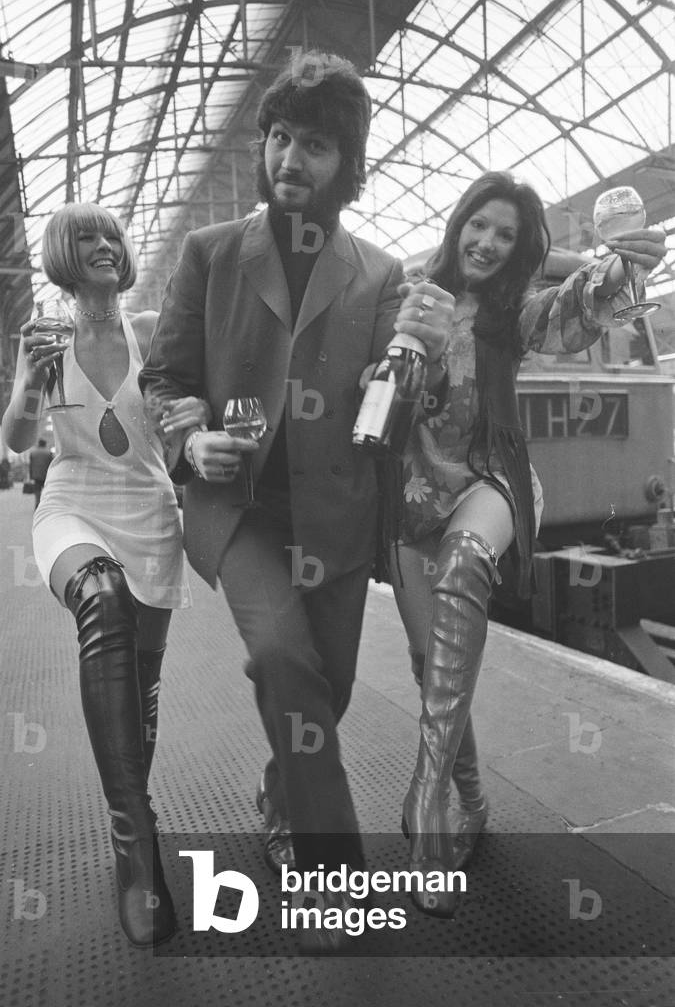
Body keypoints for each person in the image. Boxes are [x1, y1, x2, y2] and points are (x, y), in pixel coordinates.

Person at [139, 49, 452, 949]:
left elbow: (394, 408)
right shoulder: (209, 255)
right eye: (278, 137)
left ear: (344, 166)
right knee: (283, 655)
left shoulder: (382, 276)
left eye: (313, 144)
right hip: (240, 515)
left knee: (328, 686)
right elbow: (165, 377)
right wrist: (187, 434)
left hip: (339, 518)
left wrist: (423, 358)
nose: (287, 158)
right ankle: (331, 876)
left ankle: (284, 795)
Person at [390, 170, 667, 917]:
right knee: (431, 665)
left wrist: (618, 269)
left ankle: (424, 801)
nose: (487, 242)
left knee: (464, 565)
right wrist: (399, 349)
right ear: (458, 226)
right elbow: (369, 401)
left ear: (517, 249)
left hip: (492, 481)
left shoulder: (512, 312)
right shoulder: (404, 297)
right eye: (478, 225)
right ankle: (470, 802)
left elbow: (568, 313)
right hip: (414, 500)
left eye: (505, 234)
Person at [1, 203, 209, 948]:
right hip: (72, 506)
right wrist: (29, 377)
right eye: (85, 236)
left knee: (139, 691)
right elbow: (19, 439)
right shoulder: (45, 339)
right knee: (102, 602)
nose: (102, 245)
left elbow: (187, 414)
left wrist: (199, 427)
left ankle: (131, 804)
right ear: (62, 252)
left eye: (110, 236)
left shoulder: (151, 330)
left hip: (151, 516)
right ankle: (135, 847)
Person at [28, 438, 53, 507]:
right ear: (45, 444)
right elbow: (51, 464)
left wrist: (31, 475)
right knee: (46, 490)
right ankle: (44, 504)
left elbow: (31, 465)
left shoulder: (33, 453)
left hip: (36, 475)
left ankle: (37, 503)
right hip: (46, 475)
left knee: (37, 490)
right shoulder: (48, 453)